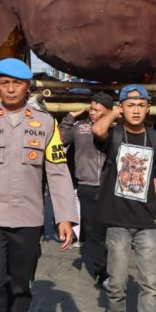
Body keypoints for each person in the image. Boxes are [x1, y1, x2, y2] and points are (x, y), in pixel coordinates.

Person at [0, 58, 78, 312]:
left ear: (27, 86)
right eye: (4, 83)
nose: (10, 89)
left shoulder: (45, 124)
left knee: (20, 283)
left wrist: (65, 217)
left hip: (28, 219)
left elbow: (57, 171)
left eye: (16, 84)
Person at [91, 84, 156, 312]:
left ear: (148, 108)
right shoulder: (115, 134)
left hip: (148, 221)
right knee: (117, 281)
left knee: (149, 282)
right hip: (117, 219)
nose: (136, 110)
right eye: (130, 105)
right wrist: (113, 113)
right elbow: (97, 129)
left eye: (141, 105)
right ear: (122, 108)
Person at [60, 91, 112, 284]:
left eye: (98, 110)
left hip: (110, 188)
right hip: (87, 187)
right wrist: (70, 117)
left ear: (109, 111)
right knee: (94, 232)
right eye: (91, 109)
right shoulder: (80, 127)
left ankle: (115, 267)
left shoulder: (115, 129)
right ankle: (101, 272)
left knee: (111, 231)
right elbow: (61, 138)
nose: (92, 113)